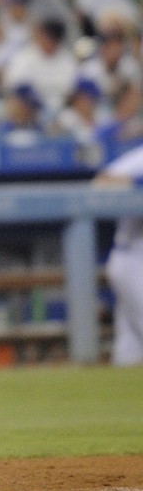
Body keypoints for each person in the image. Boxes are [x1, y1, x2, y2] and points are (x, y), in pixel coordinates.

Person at [93, 143, 143, 366]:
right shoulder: (139, 158)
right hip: (134, 257)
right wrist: (136, 184)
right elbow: (100, 183)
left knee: (130, 344)